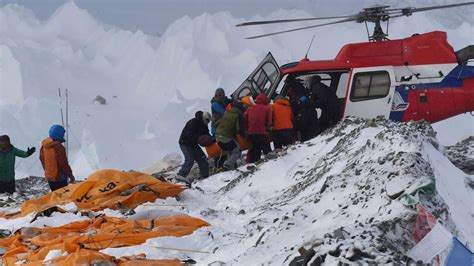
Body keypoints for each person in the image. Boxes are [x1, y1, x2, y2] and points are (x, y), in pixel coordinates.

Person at [176, 111, 212, 184]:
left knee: (203, 158)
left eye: (209, 121)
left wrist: (210, 139)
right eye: (207, 120)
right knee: (190, 159)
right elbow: (189, 134)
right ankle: (180, 175)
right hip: (185, 143)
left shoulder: (204, 124)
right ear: (204, 118)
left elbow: (206, 133)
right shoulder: (193, 122)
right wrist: (199, 139)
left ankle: (205, 176)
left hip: (194, 144)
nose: (208, 122)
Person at [40, 125, 75, 191]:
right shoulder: (59, 147)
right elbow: (64, 163)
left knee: (55, 196)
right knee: (62, 197)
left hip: (49, 177)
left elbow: (42, 160)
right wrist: (70, 175)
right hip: (59, 178)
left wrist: (48, 172)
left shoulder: (44, 146)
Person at [286, 75, 319, 141]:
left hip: (305, 117)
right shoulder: (301, 90)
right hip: (306, 116)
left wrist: (291, 104)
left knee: (307, 135)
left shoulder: (299, 91)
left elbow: (300, 101)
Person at [215, 101, 245, 171]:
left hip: (217, 137)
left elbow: (216, 124)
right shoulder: (238, 115)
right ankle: (227, 165)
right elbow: (239, 129)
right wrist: (245, 136)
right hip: (225, 137)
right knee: (237, 150)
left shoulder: (226, 113)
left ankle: (231, 168)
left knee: (230, 150)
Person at [245, 94, 272, 162]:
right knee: (267, 151)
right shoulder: (267, 108)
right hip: (261, 132)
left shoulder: (250, 109)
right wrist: (268, 127)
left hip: (251, 133)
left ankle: (256, 166)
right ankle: (271, 165)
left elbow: (244, 118)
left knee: (256, 151)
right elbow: (269, 122)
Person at [210, 87, 233, 169]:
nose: (218, 96)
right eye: (217, 95)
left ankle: (221, 166)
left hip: (221, 129)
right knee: (224, 148)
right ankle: (220, 166)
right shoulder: (215, 104)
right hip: (217, 130)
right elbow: (224, 112)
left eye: (220, 95)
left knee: (224, 149)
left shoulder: (221, 102)